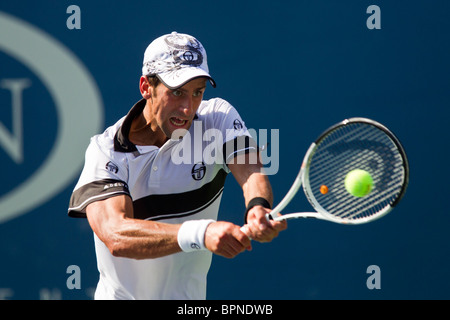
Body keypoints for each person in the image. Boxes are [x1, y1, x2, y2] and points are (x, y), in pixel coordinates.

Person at [68, 31, 286, 300]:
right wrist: (201, 232)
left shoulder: (217, 118)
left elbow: (250, 169)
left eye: (197, 93)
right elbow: (116, 234)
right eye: (177, 92)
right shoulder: (106, 152)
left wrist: (257, 206)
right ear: (146, 87)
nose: (187, 108)